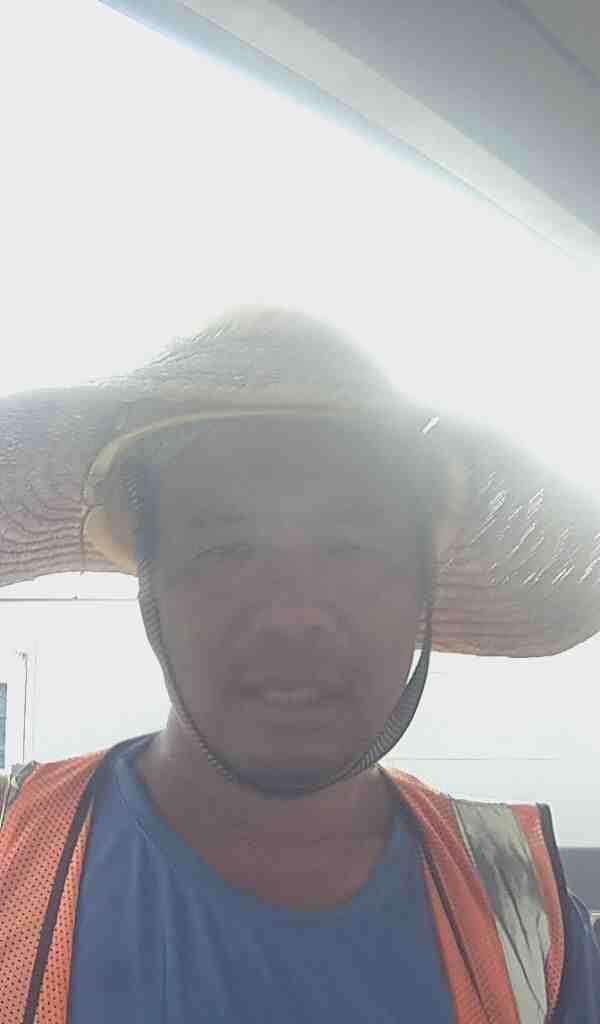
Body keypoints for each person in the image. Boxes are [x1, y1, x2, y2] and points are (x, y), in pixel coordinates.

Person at [0, 306, 598, 1023]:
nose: (294, 614)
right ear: (148, 583)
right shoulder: (12, 857)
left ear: (423, 592)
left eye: (353, 551)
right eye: (229, 550)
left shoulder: (527, 918)